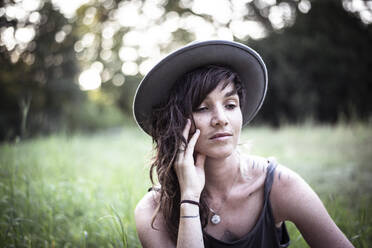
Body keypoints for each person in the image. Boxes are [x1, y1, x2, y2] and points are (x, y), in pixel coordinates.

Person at [133, 40, 353, 248]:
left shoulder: (279, 184)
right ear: (175, 122)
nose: (221, 119)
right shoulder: (152, 211)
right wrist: (189, 198)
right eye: (202, 107)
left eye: (230, 104)